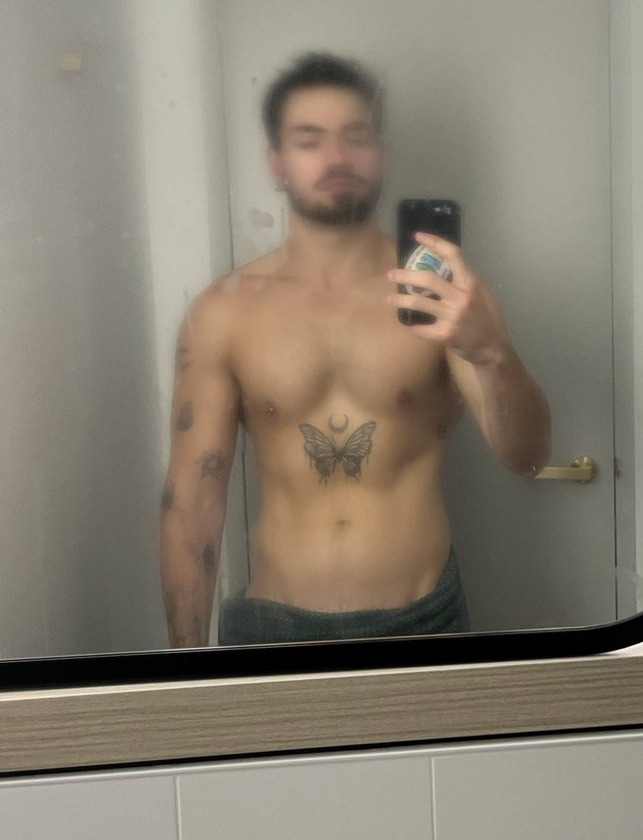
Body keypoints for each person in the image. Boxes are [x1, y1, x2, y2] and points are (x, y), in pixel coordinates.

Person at [160, 51, 551, 647]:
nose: (337, 157)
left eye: (356, 136)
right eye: (309, 139)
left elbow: (527, 457)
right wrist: (183, 668)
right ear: (276, 162)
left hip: (422, 621)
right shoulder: (224, 313)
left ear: (381, 153)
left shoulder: (445, 295)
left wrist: (492, 352)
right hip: (273, 628)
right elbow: (193, 500)